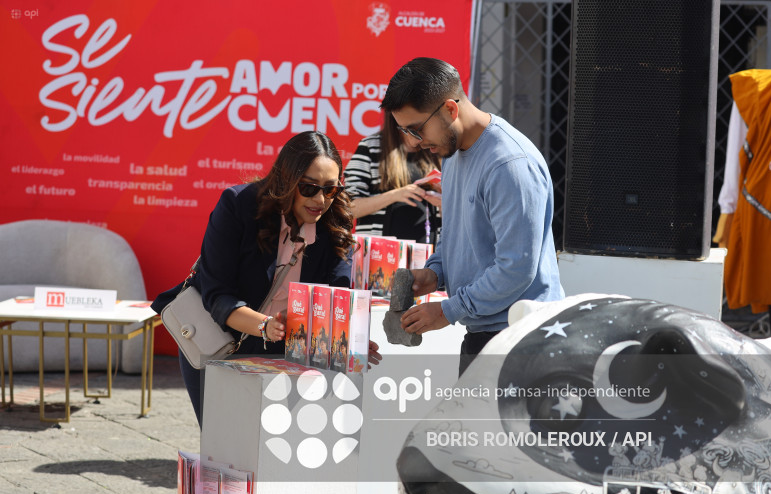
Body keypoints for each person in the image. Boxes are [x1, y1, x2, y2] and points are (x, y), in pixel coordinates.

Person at [152, 131, 380, 427]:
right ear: (286, 180)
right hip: (218, 339)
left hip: (286, 346)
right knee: (225, 444)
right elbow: (216, 294)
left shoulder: (336, 220)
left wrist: (347, 336)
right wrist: (264, 325)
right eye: (309, 188)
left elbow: (336, 293)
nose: (320, 199)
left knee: (277, 448)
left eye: (330, 189)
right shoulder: (238, 206)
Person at [383, 57, 564, 374]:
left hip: (523, 343)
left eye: (416, 128)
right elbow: (459, 237)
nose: (414, 141)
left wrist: (448, 311)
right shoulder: (452, 152)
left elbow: (516, 268)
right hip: (486, 336)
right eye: (404, 130)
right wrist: (435, 273)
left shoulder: (509, 165)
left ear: (450, 110)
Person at [713, 0, 771, 336]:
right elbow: (737, 158)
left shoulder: (755, 91)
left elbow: (734, 165)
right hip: (767, 218)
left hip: (767, 217)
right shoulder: (754, 89)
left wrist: (729, 211)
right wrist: (728, 212)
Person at [344, 108, 442, 244]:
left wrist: (442, 203)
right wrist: (396, 195)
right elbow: (348, 208)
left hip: (428, 252)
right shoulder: (370, 147)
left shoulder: (435, 148)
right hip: (379, 253)